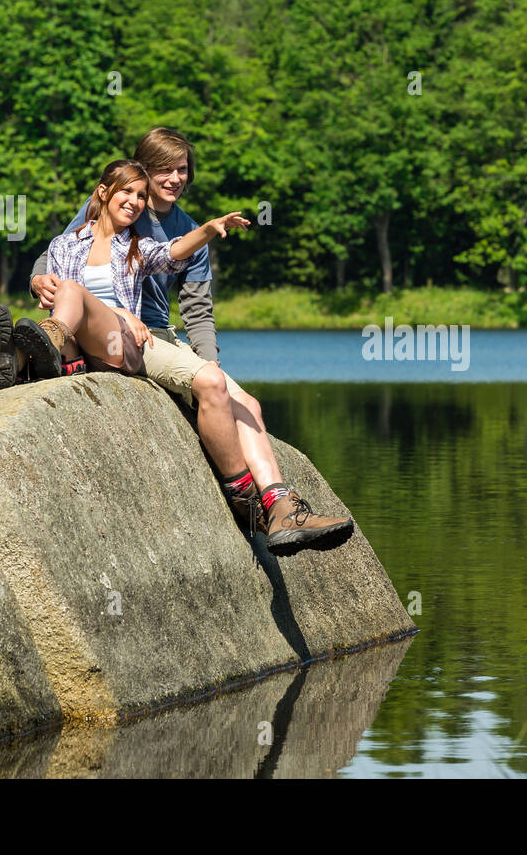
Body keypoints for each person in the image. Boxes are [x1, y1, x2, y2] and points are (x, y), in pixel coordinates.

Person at [28, 132, 353, 554]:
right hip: (111, 331)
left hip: (157, 334)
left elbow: (198, 311)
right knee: (210, 386)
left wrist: (210, 366)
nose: (175, 177)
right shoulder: (123, 203)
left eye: (183, 169)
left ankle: (279, 506)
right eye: (165, 168)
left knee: (248, 405)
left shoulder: (184, 229)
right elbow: (61, 253)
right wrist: (35, 278)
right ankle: (249, 499)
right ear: (142, 170)